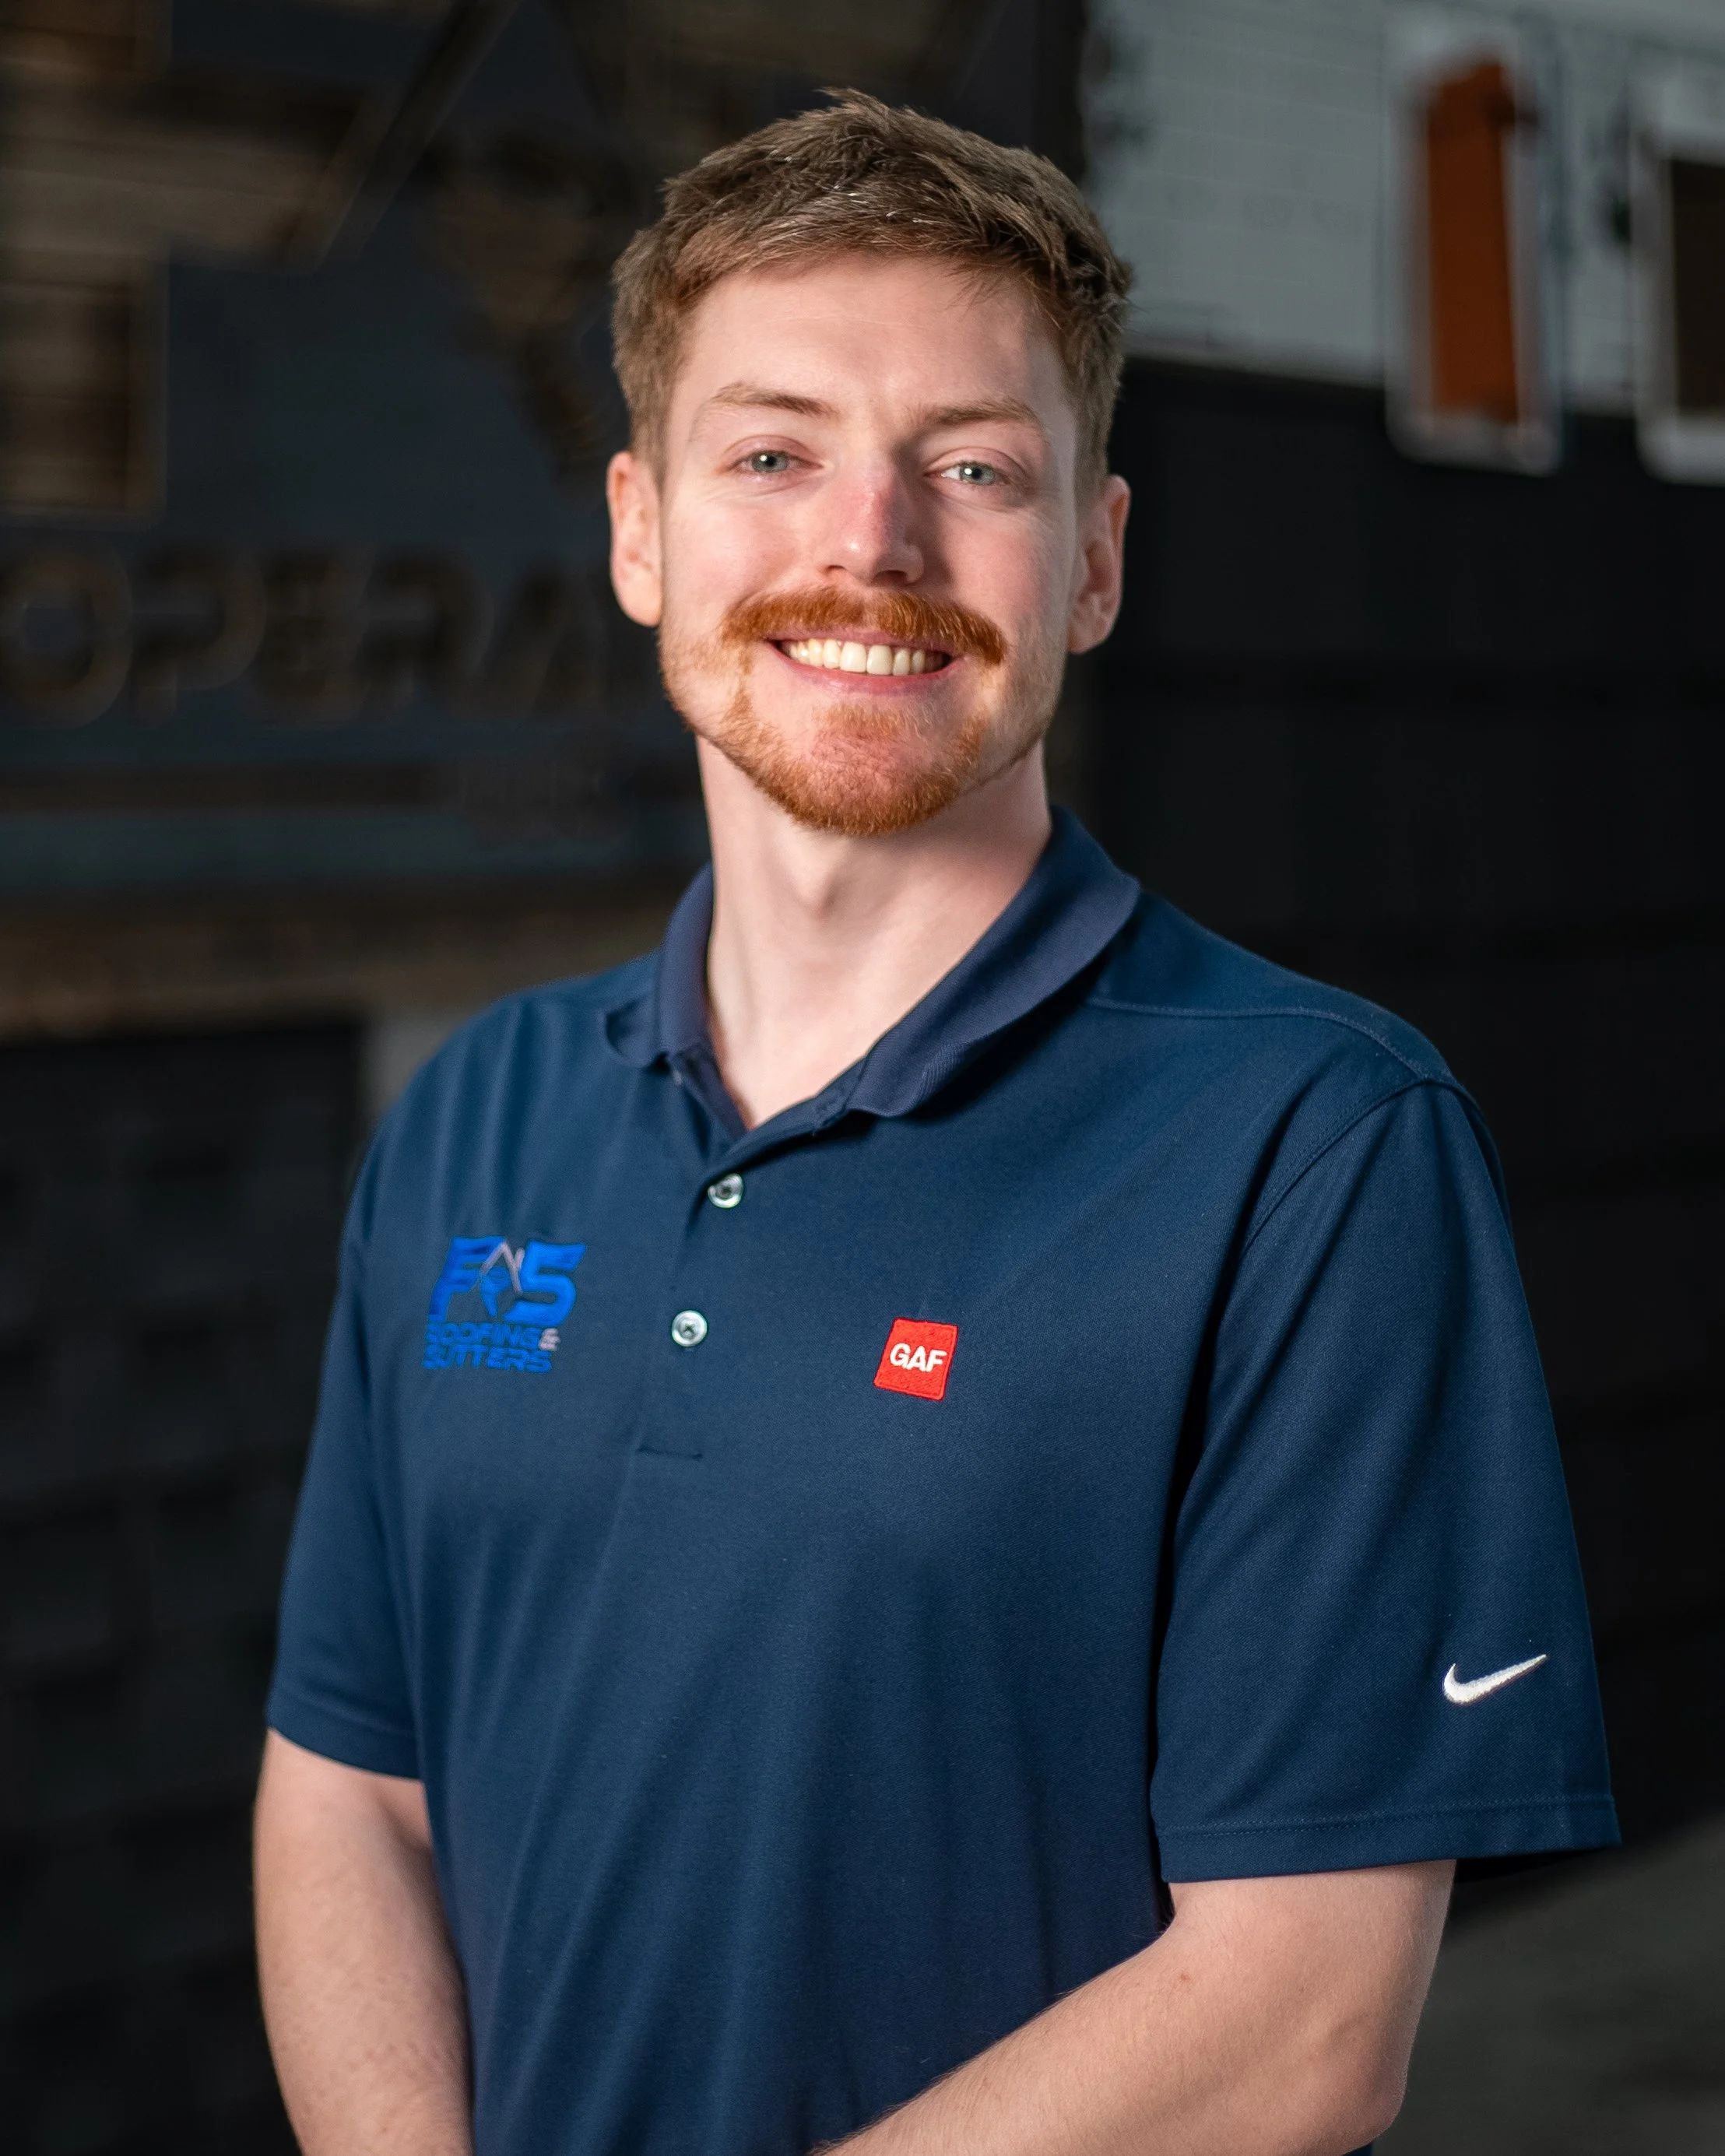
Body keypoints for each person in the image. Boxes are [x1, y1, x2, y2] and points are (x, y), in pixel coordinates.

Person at [254, 92, 1615, 2156]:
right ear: (640, 530)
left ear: (1093, 558)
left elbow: (1303, 2020)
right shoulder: (479, 1121)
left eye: (970, 468)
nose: (866, 546)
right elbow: (352, 1787)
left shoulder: (1311, 1145)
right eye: (773, 451)